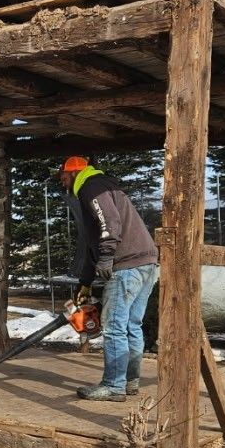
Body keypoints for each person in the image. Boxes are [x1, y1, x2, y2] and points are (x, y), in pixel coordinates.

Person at [58, 156, 159, 401]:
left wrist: (107, 257)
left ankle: (114, 386)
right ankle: (129, 381)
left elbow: (109, 223)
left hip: (126, 266)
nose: (61, 182)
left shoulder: (91, 186)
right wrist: (85, 282)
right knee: (131, 325)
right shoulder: (104, 185)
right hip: (146, 263)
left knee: (114, 327)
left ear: (72, 172)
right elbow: (94, 242)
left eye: (61, 175)